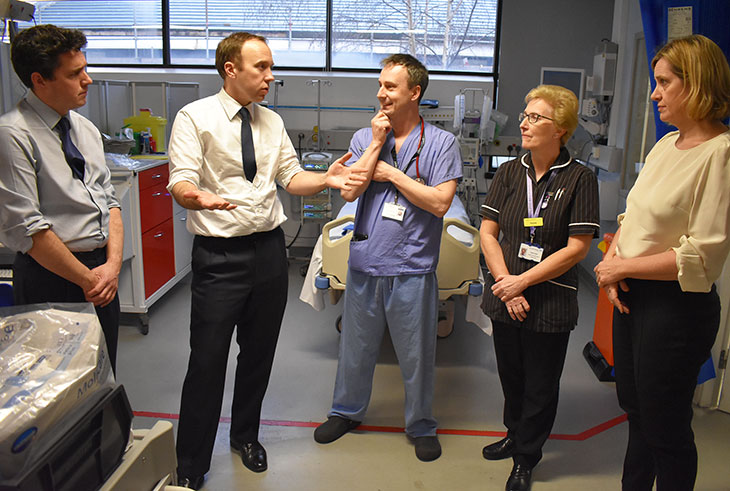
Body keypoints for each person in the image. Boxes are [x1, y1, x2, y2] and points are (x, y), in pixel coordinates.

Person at [168, 32, 365, 490]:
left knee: (258, 356)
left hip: (268, 254)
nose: (270, 77)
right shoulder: (194, 118)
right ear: (230, 69)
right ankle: (192, 463)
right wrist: (195, 196)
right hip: (219, 257)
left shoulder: (272, 122)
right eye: (261, 67)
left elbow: (290, 177)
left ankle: (245, 437)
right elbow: (180, 179)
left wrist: (328, 179)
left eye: (271, 67)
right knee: (207, 361)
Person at [595, 34, 730, 491]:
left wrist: (623, 268)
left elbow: (702, 255)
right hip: (634, 295)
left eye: (663, 82)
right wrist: (614, 264)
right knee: (636, 413)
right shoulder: (664, 145)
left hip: (675, 309)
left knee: (665, 428)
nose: (654, 93)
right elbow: (632, 218)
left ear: (697, 85)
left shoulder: (721, 155)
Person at [313, 54, 462, 462]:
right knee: (356, 350)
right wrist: (377, 144)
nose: (381, 93)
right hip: (365, 260)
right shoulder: (365, 138)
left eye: (391, 87)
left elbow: (439, 203)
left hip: (413, 266)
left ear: (415, 92)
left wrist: (394, 174)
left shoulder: (441, 144)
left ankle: (420, 425)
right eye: (380, 85)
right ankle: (345, 411)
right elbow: (349, 191)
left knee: (416, 355)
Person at [478, 85, 599, 490]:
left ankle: (527, 457)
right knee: (512, 377)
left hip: (549, 301)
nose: (524, 123)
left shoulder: (580, 179)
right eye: (525, 115)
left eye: (536, 118)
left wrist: (522, 284)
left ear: (560, 128)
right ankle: (514, 434)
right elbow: (488, 232)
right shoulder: (511, 171)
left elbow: (578, 248)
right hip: (504, 295)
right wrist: (504, 284)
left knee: (541, 385)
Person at [0, 25, 122, 372]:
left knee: (102, 377)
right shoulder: (13, 135)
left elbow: (109, 202)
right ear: (39, 80)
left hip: (101, 275)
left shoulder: (84, 128)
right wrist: (88, 280)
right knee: (55, 386)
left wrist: (111, 269)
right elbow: (30, 229)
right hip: (52, 279)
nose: (88, 80)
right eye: (74, 73)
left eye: (85, 68)